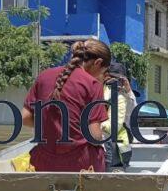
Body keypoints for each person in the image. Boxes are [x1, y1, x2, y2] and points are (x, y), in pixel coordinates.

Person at [22, 40, 111, 172]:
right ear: (97, 62)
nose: (100, 75)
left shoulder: (43, 76)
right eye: (102, 71)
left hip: (44, 163)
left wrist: (50, 125)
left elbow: (25, 118)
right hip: (81, 163)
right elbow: (94, 136)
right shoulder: (93, 84)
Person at [102, 60, 133, 171]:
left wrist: (128, 90)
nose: (114, 81)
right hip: (103, 143)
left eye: (118, 79)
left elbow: (131, 112)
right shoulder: (98, 89)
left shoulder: (124, 96)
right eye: (111, 77)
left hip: (119, 149)